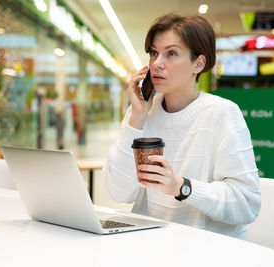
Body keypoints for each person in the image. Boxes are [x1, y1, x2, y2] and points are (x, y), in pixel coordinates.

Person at [103, 13, 261, 239]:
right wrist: (137, 119)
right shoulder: (141, 112)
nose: (157, 63)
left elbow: (247, 203)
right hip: (148, 244)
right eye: (154, 53)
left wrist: (181, 186)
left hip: (207, 250)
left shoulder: (222, 114)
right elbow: (118, 192)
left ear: (198, 63)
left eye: (172, 53)